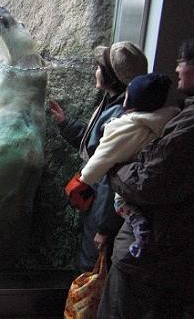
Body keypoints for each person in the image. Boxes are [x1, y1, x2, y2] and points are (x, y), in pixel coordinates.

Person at [97, 38, 194, 318]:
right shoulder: (175, 112)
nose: (177, 69)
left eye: (182, 62)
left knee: (120, 308)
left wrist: (113, 166)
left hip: (149, 252)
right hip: (161, 249)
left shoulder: (182, 121)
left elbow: (145, 182)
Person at [49, 41, 148, 272]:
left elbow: (110, 178)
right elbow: (97, 147)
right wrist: (65, 124)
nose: (95, 71)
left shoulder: (119, 117)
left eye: (98, 67)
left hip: (104, 207)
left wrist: (104, 228)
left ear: (111, 77)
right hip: (97, 202)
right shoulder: (114, 102)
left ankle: (85, 308)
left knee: (92, 266)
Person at [65, 73, 179, 259]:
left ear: (131, 102)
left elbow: (103, 157)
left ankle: (138, 224)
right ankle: (139, 224)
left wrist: (85, 177)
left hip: (122, 189)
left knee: (120, 202)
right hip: (146, 190)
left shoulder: (124, 127)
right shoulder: (166, 119)